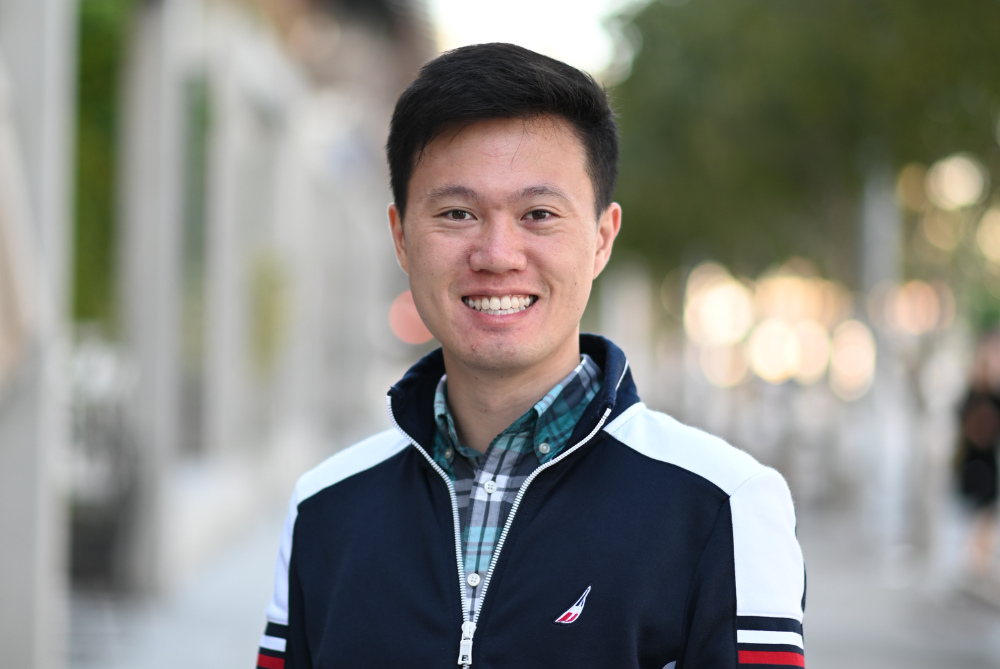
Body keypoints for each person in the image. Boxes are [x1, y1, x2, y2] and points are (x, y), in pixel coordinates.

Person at [256, 43, 805, 669]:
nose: (497, 253)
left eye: (538, 214)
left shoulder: (724, 505)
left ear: (601, 239)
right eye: (457, 213)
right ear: (401, 237)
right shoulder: (324, 509)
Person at [956, 333, 1000, 575]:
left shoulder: (993, 392)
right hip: (975, 462)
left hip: (988, 462)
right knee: (978, 514)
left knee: (986, 514)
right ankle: (975, 566)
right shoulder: (974, 392)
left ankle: (978, 565)